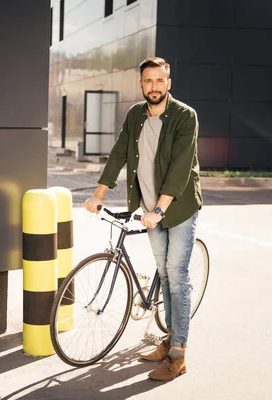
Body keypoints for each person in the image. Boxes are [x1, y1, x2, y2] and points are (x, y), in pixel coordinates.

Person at [84, 56, 202, 381]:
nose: (154, 86)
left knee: (177, 276)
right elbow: (119, 153)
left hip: (177, 208)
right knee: (163, 273)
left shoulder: (184, 117)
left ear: (169, 83)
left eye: (159, 80)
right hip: (150, 208)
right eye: (148, 81)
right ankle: (169, 339)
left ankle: (178, 353)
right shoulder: (135, 115)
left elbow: (180, 169)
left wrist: (159, 210)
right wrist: (99, 195)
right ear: (141, 84)